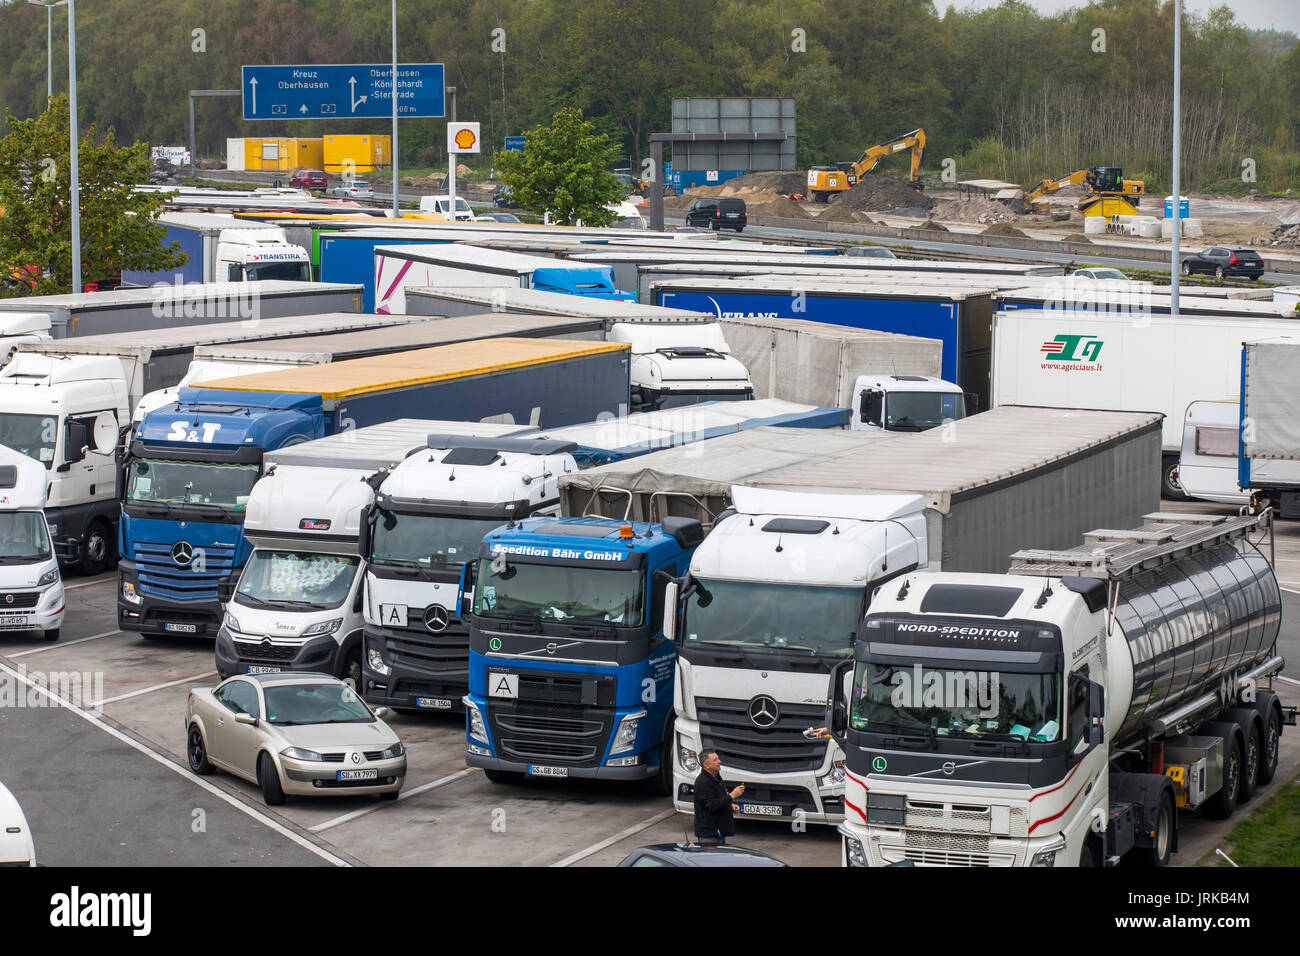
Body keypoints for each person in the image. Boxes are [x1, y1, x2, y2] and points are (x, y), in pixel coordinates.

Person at [693, 748, 744, 846]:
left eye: (718, 758)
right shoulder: (702, 782)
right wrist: (731, 796)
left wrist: (730, 806)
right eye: (715, 760)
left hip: (718, 832)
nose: (719, 761)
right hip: (709, 836)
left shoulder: (716, 778)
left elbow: (718, 798)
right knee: (711, 861)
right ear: (706, 765)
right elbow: (712, 805)